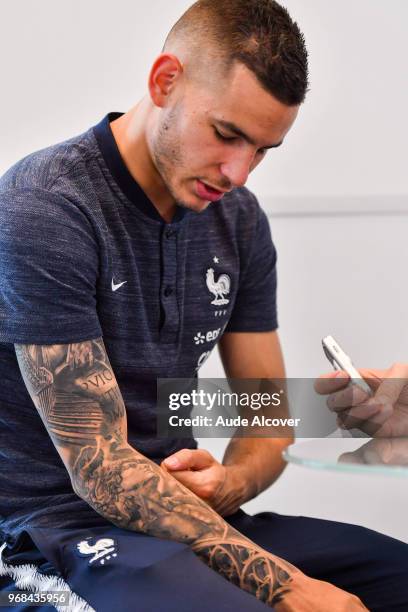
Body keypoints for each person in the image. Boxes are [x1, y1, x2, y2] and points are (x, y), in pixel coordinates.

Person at [0, 1, 407, 610]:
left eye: (263, 149)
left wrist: (232, 482)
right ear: (166, 81)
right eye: (226, 134)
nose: (239, 172)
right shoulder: (47, 207)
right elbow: (101, 467)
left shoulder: (236, 219)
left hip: (190, 524)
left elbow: (267, 416)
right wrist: (291, 588)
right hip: (56, 533)